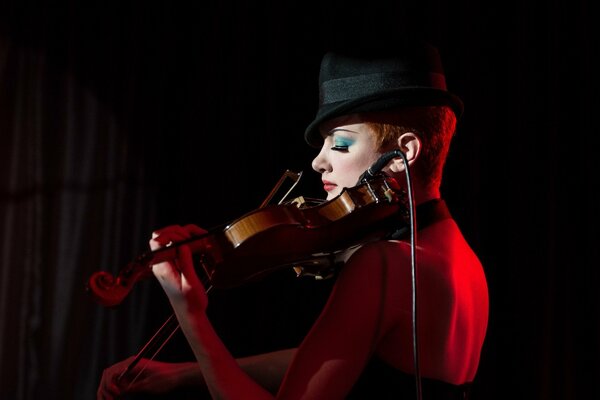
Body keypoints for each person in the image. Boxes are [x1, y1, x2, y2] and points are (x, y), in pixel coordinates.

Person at [98, 39, 489, 399]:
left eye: (340, 143)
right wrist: (182, 373)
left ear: (405, 151)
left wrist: (192, 318)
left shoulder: (384, 264)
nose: (319, 161)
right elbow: (339, 358)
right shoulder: (463, 262)